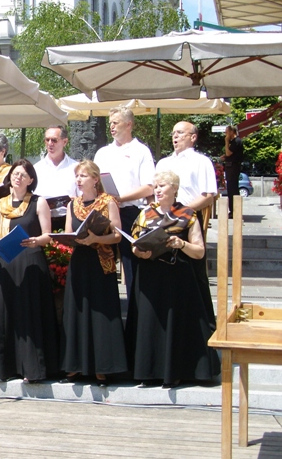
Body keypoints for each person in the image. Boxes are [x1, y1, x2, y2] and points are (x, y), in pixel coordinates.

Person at [125, 170, 220, 388]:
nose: (157, 190)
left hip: (177, 278)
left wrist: (181, 244)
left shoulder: (187, 214)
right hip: (149, 278)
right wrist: (140, 252)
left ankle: (176, 372)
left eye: (162, 186)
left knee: (174, 324)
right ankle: (148, 372)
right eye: (156, 186)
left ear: (174, 189)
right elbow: (134, 244)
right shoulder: (145, 214)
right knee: (150, 324)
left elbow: (199, 252)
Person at [0, 159, 60, 383]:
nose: (18, 177)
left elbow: (48, 235)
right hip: (7, 262)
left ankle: (32, 369)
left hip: (31, 261)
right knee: (6, 314)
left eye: (23, 175)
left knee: (29, 314)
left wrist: (36, 240)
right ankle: (6, 368)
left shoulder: (38, 202)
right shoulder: (0, 205)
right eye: (15, 173)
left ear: (31, 180)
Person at [60, 160, 127, 387]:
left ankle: (102, 367)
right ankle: (75, 364)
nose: (79, 180)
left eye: (83, 176)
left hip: (100, 261)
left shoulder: (108, 202)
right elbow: (68, 232)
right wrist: (71, 239)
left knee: (101, 313)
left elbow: (117, 235)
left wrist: (96, 238)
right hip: (80, 260)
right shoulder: (73, 204)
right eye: (77, 176)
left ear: (95, 179)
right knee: (77, 310)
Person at [155, 121, 218, 330]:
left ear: (193, 137)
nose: (175, 136)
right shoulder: (163, 162)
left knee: (194, 270)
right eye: (173, 132)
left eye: (180, 133)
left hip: (189, 216)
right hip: (163, 217)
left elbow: (208, 195)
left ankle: (204, 324)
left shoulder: (201, 161)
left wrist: (183, 212)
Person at [94, 106, 156, 297]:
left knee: (132, 264)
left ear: (128, 124)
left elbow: (149, 187)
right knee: (103, 261)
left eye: (116, 122)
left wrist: (120, 199)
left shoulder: (141, 151)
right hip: (105, 213)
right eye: (110, 123)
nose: (111, 127)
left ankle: (134, 308)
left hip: (130, 212)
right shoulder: (103, 152)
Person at [33, 126, 78, 231]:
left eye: (54, 140)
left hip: (68, 220)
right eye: (47, 140)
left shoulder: (76, 167)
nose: (50, 143)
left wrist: (77, 200)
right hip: (41, 221)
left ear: (65, 142)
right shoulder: (36, 168)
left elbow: (84, 196)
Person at [222, 125, 243, 219]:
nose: (225, 134)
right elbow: (230, 154)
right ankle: (233, 210)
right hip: (231, 166)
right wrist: (226, 157)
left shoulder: (236, 141)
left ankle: (234, 211)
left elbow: (228, 152)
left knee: (233, 189)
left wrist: (226, 141)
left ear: (231, 132)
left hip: (233, 167)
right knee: (231, 189)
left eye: (226, 132)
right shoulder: (234, 142)